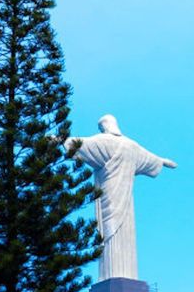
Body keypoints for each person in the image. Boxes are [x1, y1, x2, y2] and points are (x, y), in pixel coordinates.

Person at [63, 115, 176, 281]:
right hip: (122, 202)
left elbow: (79, 144)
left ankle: (114, 276)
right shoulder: (131, 145)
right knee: (115, 237)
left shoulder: (104, 142)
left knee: (112, 236)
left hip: (109, 198)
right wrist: (163, 161)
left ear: (105, 127)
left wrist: (60, 139)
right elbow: (150, 158)